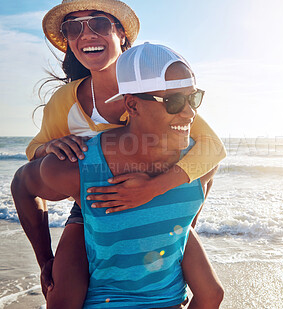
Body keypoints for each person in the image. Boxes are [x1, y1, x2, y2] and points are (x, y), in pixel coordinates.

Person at [12, 0, 225, 307]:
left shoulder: (161, 87)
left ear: (121, 34)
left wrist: (165, 207)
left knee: (210, 292)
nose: (86, 35)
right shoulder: (65, 101)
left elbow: (211, 150)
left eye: (98, 24)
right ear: (132, 104)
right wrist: (49, 148)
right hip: (92, 207)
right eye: (73, 27)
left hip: (160, 191)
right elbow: (34, 160)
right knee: (62, 295)